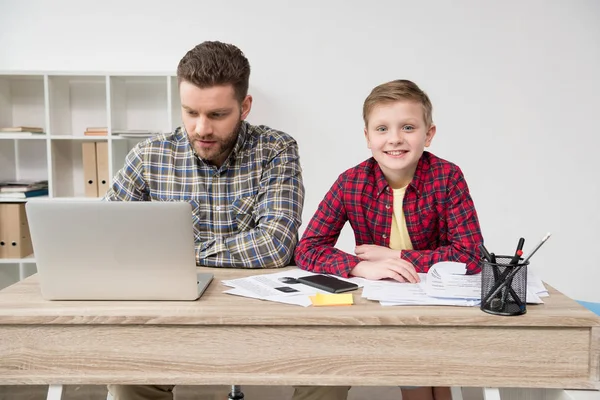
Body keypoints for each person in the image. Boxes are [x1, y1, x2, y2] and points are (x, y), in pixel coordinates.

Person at [104, 41, 335, 400]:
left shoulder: (275, 150)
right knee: (128, 375)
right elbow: (105, 233)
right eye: (190, 112)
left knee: (331, 367)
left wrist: (171, 252)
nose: (201, 128)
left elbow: (274, 246)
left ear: (244, 107)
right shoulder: (149, 155)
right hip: (175, 311)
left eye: (216, 115)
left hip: (266, 310)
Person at [295, 79, 484, 400]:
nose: (395, 139)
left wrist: (396, 257)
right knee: (406, 376)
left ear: (429, 134)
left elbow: (470, 255)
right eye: (382, 129)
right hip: (379, 303)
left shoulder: (447, 177)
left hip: (435, 305)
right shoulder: (351, 182)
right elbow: (307, 248)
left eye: (408, 127)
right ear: (367, 137)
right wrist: (359, 267)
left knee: (430, 379)